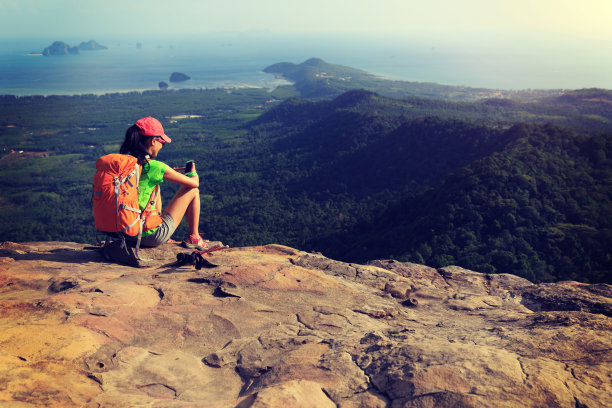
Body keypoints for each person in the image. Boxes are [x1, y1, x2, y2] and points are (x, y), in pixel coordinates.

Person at [119, 116, 208, 249]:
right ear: (154, 141)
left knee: (156, 185)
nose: (162, 146)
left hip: (125, 232)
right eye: (162, 142)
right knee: (193, 190)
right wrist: (193, 173)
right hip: (149, 237)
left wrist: (165, 173)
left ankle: (155, 222)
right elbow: (194, 183)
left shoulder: (126, 163)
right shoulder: (154, 166)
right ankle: (194, 237)